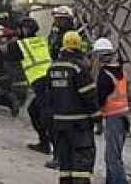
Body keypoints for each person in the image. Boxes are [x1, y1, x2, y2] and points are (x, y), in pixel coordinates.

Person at [49, 31, 98, 184]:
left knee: (65, 162)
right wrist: (97, 116)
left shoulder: (53, 67)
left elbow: (48, 95)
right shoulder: (78, 68)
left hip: (59, 123)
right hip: (79, 124)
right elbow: (88, 94)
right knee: (82, 160)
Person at [1, 16, 53, 156]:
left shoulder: (21, 45)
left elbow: (4, 53)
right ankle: (45, 144)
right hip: (48, 81)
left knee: (45, 116)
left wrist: (4, 38)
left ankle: (56, 150)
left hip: (42, 83)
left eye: (19, 29)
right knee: (34, 111)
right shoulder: (41, 41)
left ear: (24, 30)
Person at [93, 38, 129, 184]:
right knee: (114, 154)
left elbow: (100, 99)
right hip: (123, 116)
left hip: (113, 116)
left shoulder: (105, 75)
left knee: (113, 157)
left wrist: (95, 115)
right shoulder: (120, 71)